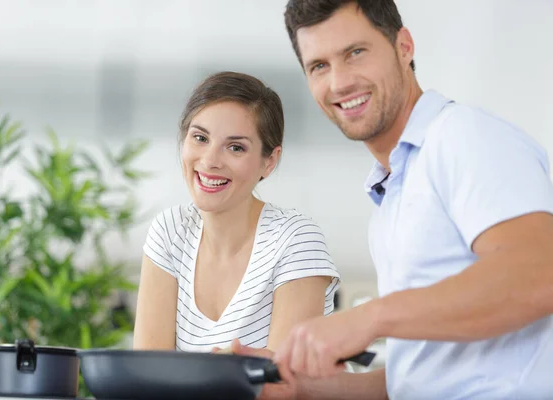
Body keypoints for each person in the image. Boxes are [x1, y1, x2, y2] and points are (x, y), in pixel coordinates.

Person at [232, 1, 553, 399]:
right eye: (319, 66)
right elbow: (424, 377)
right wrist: (305, 390)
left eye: (355, 53)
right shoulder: (393, 195)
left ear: (404, 47)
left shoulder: (462, 137)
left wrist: (368, 319)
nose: (340, 82)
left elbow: (539, 276)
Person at [132, 71, 341, 354]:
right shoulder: (170, 231)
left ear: (269, 161)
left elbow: (285, 385)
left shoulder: (294, 239)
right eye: (200, 138)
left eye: (235, 147)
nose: (210, 161)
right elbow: (147, 373)